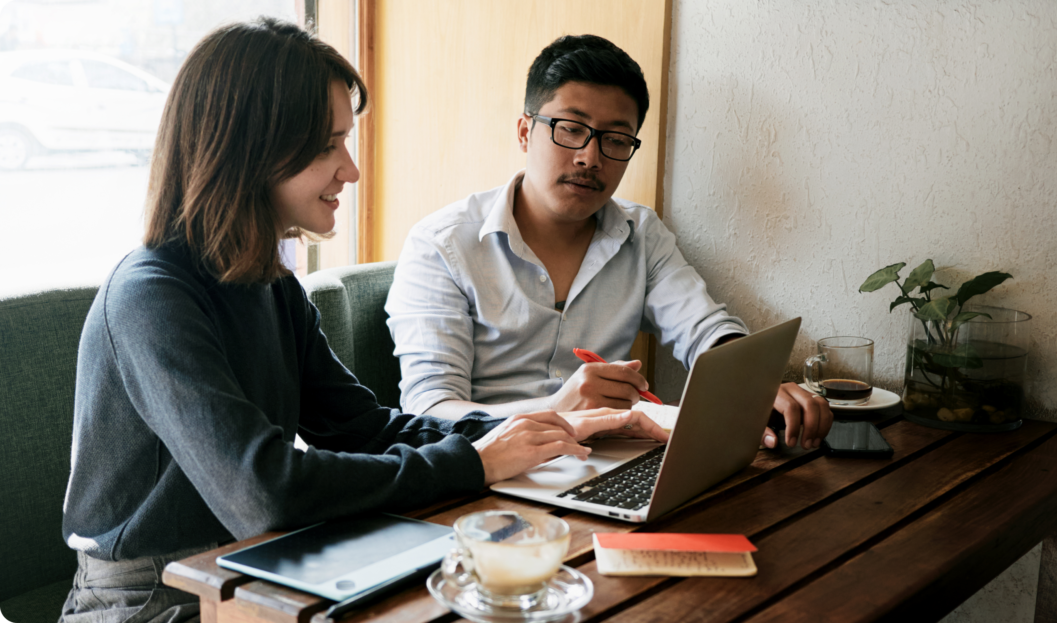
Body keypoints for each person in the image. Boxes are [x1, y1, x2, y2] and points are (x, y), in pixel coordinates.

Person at [58, 20, 666, 623]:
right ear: (248, 149)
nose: (349, 169)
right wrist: (475, 462)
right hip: (148, 598)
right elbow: (264, 492)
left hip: (257, 565)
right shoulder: (151, 297)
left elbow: (363, 428)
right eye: (328, 145)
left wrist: (539, 432)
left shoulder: (268, 284)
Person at [385, 34, 832, 451]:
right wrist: (556, 410)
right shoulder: (441, 245)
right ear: (525, 131)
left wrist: (753, 382)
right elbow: (429, 413)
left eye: (616, 139)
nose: (590, 158)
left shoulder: (641, 234)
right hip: (489, 475)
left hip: (609, 459)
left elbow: (702, 328)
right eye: (571, 129)